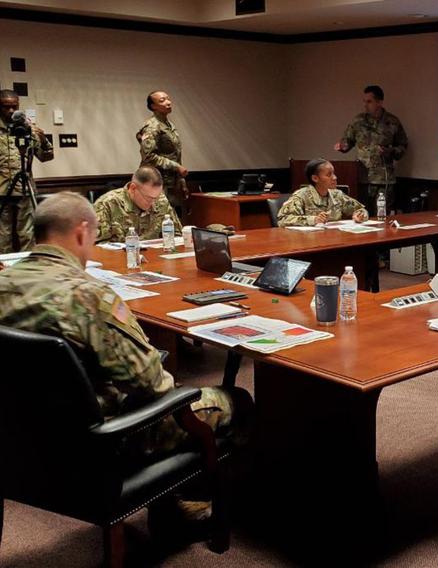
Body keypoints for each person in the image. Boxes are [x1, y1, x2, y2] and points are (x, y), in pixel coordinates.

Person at [0, 192, 251, 464]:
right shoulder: (88, 296)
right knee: (236, 400)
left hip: (21, 437)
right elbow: (151, 383)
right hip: (104, 438)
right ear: (82, 233)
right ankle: (200, 500)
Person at [334, 85, 408, 215]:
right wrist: (341, 146)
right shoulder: (358, 121)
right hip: (361, 178)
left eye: (369, 101)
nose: (365, 105)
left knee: (382, 216)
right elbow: (347, 141)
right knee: (360, 215)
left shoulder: (392, 122)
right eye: (364, 101)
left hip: (383, 179)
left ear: (379, 102)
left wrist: (389, 151)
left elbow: (402, 146)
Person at [0, 89, 54, 254]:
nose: (10, 111)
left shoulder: (28, 128)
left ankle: (28, 269)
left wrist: (43, 138)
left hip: (24, 189)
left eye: (14, 106)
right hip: (1, 191)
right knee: (3, 237)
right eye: (5, 107)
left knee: (27, 235)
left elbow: (47, 156)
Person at [94, 165, 182, 243]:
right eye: (148, 198)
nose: (153, 203)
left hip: (155, 258)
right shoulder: (107, 204)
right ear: (133, 188)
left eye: (156, 198)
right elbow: (97, 246)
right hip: (121, 259)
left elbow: (178, 236)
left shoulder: (161, 201)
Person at [137, 90, 188, 215]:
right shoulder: (152, 126)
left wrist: (181, 180)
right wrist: (176, 166)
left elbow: (174, 154)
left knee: (171, 220)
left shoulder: (168, 124)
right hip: (156, 182)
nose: (168, 102)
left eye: (168, 99)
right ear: (153, 106)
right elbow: (148, 156)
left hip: (171, 181)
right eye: (162, 100)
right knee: (159, 221)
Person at [277, 159, 368, 227]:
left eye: (334, 173)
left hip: (334, 239)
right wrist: (314, 219)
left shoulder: (337, 195)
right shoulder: (301, 196)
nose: (335, 178)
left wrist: (360, 215)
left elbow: (361, 209)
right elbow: (282, 220)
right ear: (315, 178)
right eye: (329, 175)